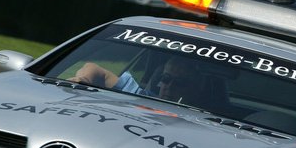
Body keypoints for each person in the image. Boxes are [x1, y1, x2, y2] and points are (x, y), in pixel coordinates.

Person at [71, 57, 202, 105]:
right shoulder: (143, 97)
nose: (169, 86)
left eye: (179, 83)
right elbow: (93, 68)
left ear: (191, 89)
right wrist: (82, 80)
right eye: (166, 79)